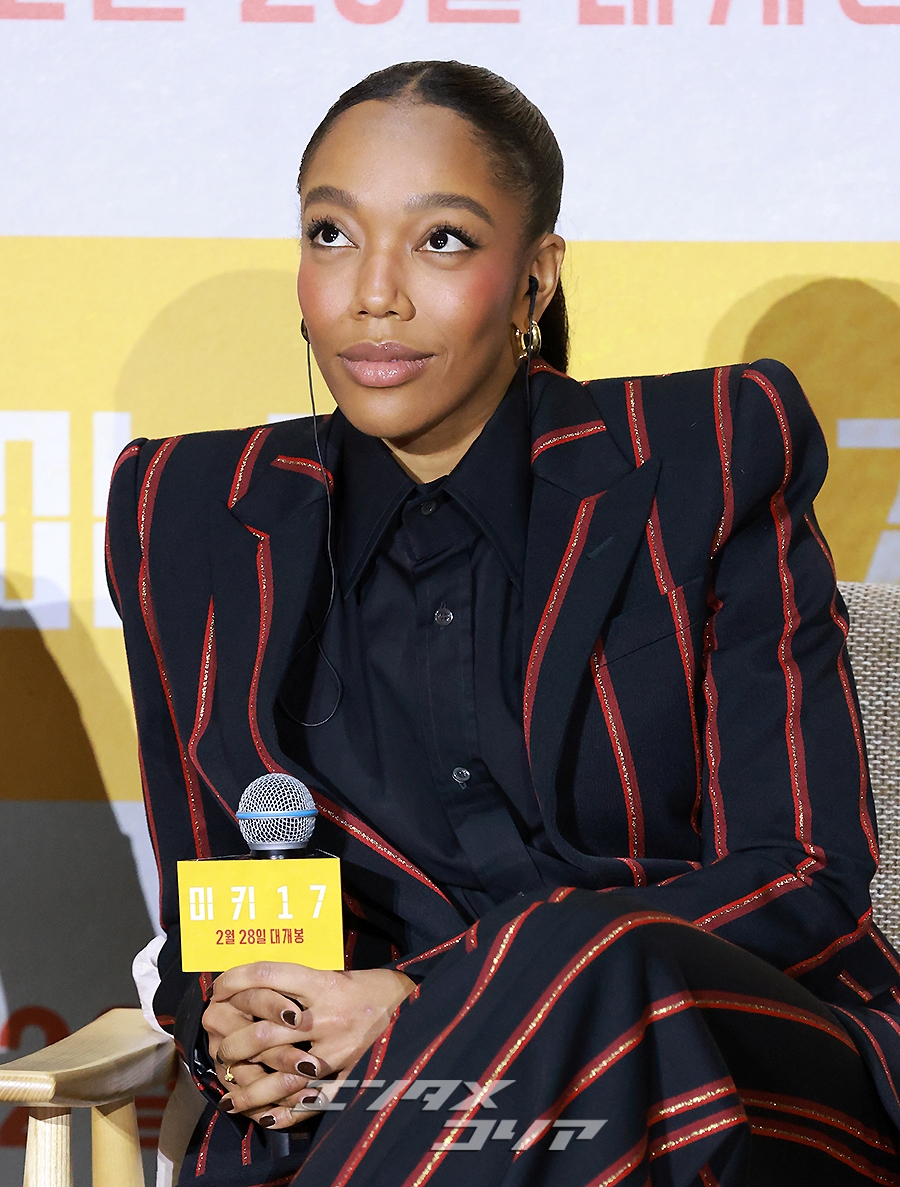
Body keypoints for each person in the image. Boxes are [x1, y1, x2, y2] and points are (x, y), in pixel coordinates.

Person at [107, 60, 900, 1187]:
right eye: (332, 235)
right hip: (389, 1111)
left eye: (441, 241)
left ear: (535, 278)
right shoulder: (192, 515)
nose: (375, 293)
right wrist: (239, 1027)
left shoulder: (707, 457)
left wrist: (431, 993)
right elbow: (220, 900)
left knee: (585, 946)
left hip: (723, 1073)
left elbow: (803, 873)